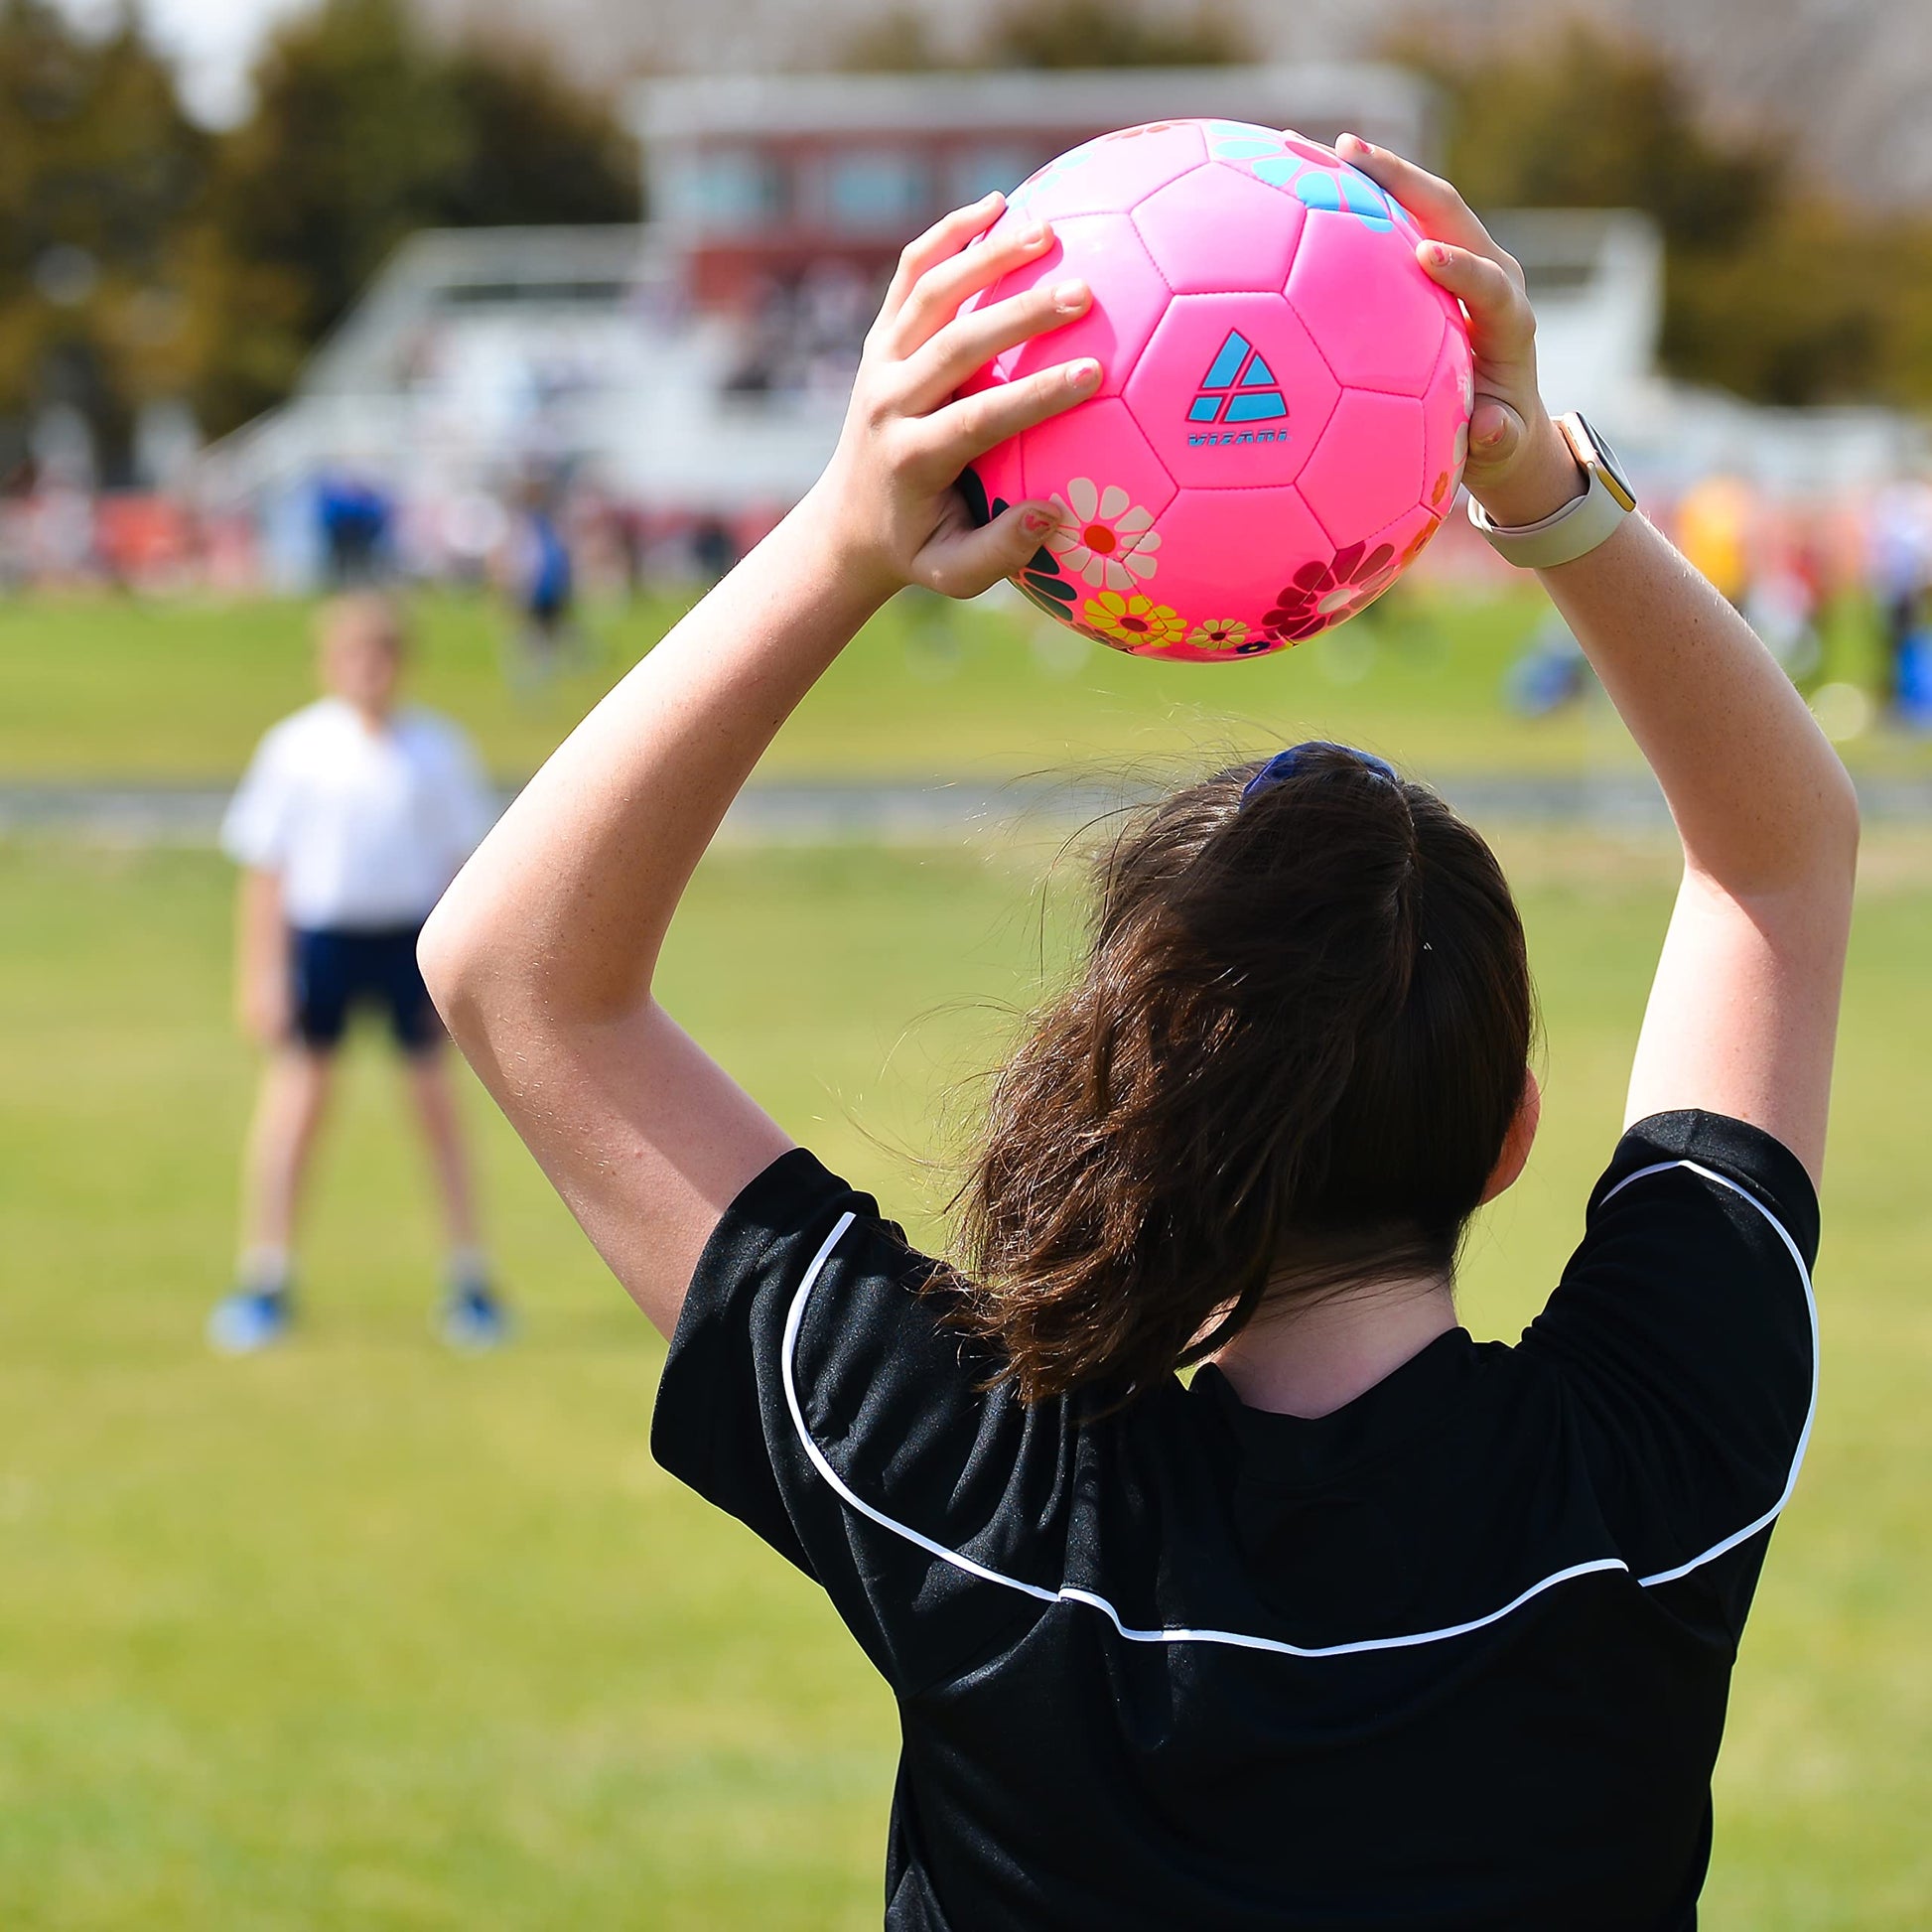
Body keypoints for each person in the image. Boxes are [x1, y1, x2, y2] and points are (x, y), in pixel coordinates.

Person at [418, 141, 1857, 1929]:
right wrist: (1539, 484)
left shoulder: (989, 1501)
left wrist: (843, 539)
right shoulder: (1654, 1463)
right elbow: (1776, 863)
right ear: (1510, 1131)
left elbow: (516, 970)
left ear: (1128, 1119)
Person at [211, 594, 508, 1354]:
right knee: (297, 1106)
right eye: (352, 656)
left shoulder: (435, 749)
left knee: (436, 1110)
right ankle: (266, 1278)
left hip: (412, 944)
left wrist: (459, 979)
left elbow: (462, 868)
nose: (367, 671)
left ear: (401, 664)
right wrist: (263, 974)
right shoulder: (296, 748)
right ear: (328, 664)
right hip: (324, 942)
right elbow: (266, 871)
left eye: (381, 656)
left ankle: (469, 1281)